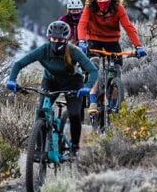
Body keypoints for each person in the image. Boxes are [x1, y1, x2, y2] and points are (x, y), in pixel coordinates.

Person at [6, 21, 98, 160]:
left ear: (66, 39)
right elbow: (19, 64)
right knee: (41, 113)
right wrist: (12, 80)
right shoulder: (44, 49)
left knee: (74, 115)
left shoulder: (73, 51)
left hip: (73, 83)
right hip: (51, 82)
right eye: (54, 39)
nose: (56, 42)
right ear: (49, 38)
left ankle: (74, 148)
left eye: (60, 39)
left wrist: (87, 87)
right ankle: (38, 149)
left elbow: (93, 70)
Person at [77, 0, 147, 115]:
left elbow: (128, 26)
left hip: (112, 41)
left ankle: (114, 99)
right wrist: (81, 40)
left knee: (116, 70)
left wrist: (138, 46)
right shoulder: (89, 7)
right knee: (94, 67)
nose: (103, 1)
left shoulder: (117, 7)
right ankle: (92, 100)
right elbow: (82, 24)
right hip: (94, 40)